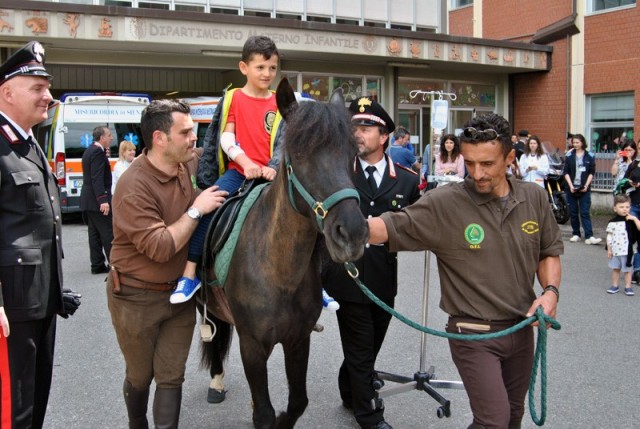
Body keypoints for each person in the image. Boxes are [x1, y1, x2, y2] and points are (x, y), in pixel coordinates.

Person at [366, 113, 563, 429]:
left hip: (521, 328)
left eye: (487, 164)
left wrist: (550, 292)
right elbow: (388, 226)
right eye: (469, 163)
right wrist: (340, 227)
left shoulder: (534, 197)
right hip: (472, 332)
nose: (477, 173)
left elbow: (548, 251)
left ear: (510, 158)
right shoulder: (446, 202)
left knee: (513, 417)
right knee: (493, 421)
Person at [106, 99, 227, 428]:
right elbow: (160, 247)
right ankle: (137, 423)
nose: (194, 138)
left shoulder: (187, 162)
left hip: (178, 295)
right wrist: (197, 209)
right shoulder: (133, 185)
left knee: (172, 376)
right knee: (140, 376)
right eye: (185, 132)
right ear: (160, 138)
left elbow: (223, 150)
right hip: (135, 297)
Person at [322, 96, 420, 429]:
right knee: (361, 347)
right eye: (353, 127)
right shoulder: (337, 174)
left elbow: (418, 223)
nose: (357, 133)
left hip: (383, 279)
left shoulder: (406, 180)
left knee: (369, 346)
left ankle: (350, 390)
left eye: (365, 127)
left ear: (384, 136)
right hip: (345, 277)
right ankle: (369, 415)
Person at [0, 40, 80, 429]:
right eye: (37, 87)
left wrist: (55, 291)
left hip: (38, 301)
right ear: (7, 92)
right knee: (12, 409)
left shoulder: (28, 143)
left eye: (47, 87)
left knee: (34, 402)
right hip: (10, 309)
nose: (48, 96)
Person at [171, 35, 280, 304]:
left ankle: (316, 282)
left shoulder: (280, 101)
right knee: (208, 208)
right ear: (244, 67)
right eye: (260, 67)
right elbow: (226, 137)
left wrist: (273, 167)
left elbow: (286, 141)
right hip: (239, 172)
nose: (267, 74)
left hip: (273, 175)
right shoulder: (234, 98)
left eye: (272, 68)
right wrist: (246, 163)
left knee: (307, 211)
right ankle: (190, 273)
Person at [80, 125, 114, 274]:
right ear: (102, 137)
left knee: (94, 233)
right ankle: (115, 266)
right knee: (108, 232)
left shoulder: (89, 150)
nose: (111, 138)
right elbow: (97, 178)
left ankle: (97, 264)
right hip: (96, 200)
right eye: (109, 135)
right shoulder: (97, 152)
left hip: (89, 199)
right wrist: (103, 199)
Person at [563, 133, 602, 244]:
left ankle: (589, 235)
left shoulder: (589, 155)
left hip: (584, 188)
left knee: (584, 212)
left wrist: (586, 185)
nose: (575, 144)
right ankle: (576, 234)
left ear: (582, 143)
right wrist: (570, 186)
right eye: (574, 143)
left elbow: (591, 172)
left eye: (577, 142)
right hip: (572, 187)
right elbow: (566, 172)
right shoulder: (569, 155)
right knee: (573, 212)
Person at [605, 194, 640, 296]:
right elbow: (609, 236)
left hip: (628, 251)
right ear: (615, 208)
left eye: (627, 207)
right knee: (616, 269)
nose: (625, 209)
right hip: (616, 251)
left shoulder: (631, 220)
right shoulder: (612, 222)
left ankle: (628, 287)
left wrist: (635, 219)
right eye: (621, 207)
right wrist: (609, 249)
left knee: (627, 270)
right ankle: (615, 285)